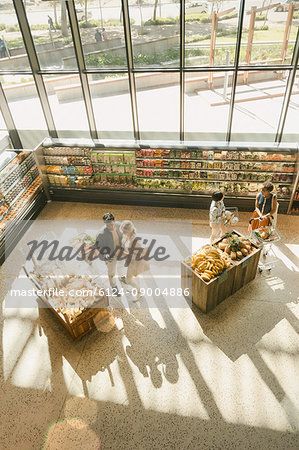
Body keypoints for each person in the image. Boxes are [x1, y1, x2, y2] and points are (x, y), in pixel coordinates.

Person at [95, 212, 126, 297]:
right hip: (110, 256)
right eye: (108, 225)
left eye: (112, 224)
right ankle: (114, 286)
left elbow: (124, 235)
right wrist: (105, 255)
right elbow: (98, 246)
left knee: (121, 265)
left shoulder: (120, 225)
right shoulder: (101, 234)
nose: (110, 227)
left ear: (114, 221)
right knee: (111, 272)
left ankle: (121, 276)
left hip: (120, 251)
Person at [120, 220, 150, 302]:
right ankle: (137, 289)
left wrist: (125, 253)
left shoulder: (135, 240)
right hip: (134, 262)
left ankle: (140, 291)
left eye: (124, 232)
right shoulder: (131, 237)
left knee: (128, 280)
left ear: (128, 231)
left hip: (135, 262)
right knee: (136, 276)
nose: (123, 233)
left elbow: (137, 254)